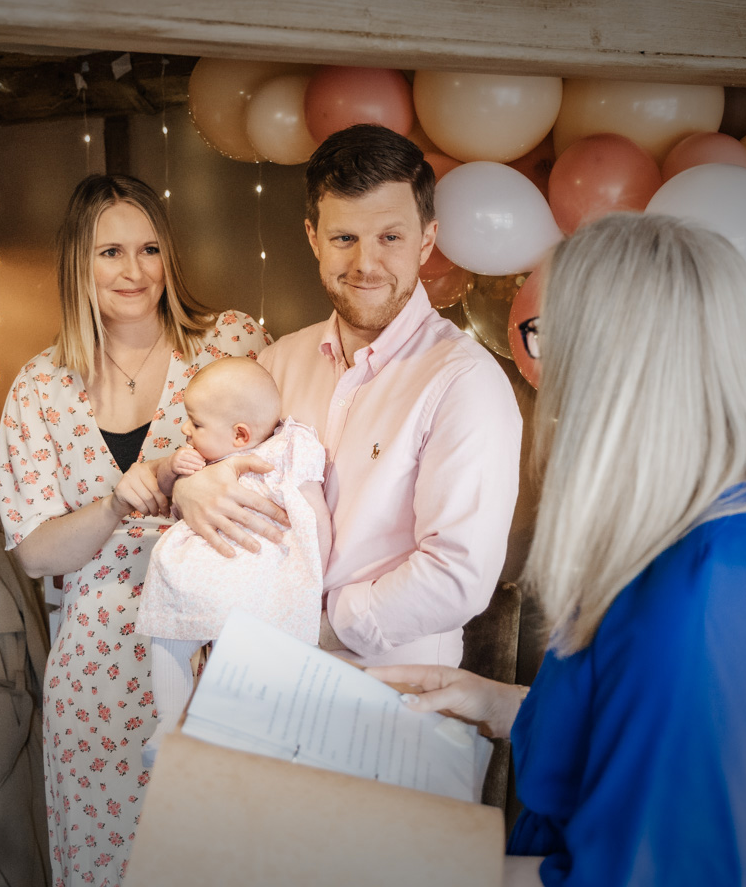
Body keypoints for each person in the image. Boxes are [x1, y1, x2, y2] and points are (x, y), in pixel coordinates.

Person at [370, 212, 746, 887]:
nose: (542, 367)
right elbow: (643, 741)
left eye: (548, 334)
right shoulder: (717, 538)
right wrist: (503, 704)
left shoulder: (703, 597)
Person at [0, 174, 271, 887]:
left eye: (149, 248)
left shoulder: (230, 342)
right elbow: (33, 552)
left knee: (224, 858)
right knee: (110, 863)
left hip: (218, 644)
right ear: (77, 264)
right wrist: (116, 506)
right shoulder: (40, 387)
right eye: (111, 251)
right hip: (96, 673)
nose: (135, 270)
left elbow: (282, 472)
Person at [173, 124, 523, 667]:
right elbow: (214, 470)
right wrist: (189, 491)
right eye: (344, 239)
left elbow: (457, 575)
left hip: (388, 703)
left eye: (390, 237)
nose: (365, 264)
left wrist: (310, 629)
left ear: (426, 239)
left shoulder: (464, 382)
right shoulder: (274, 364)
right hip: (250, 677)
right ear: (313, 237)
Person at [136, 356, 331, 766]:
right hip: (221, 577)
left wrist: (315, 568)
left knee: (182, 644)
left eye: (195, 422)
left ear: (240, 434)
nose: (185, 430)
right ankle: (172, 722)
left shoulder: (285, 450)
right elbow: (171, 493)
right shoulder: (209, 454)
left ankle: (186, 723)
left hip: (247, 579)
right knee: (176, 639)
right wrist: (177, 469)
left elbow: (312, 513)